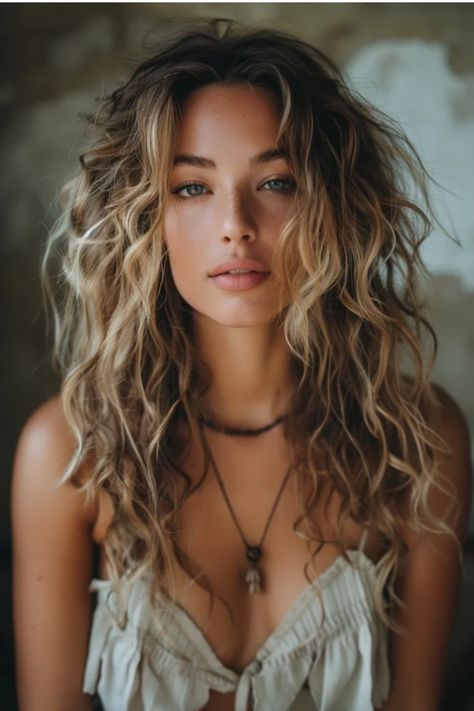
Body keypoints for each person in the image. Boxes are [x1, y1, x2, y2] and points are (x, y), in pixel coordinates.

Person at [11, 18, 471, 711]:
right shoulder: (70, 454)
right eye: (192, 187)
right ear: (147, 216)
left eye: (277, 181)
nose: (236, 223)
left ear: (332, 205)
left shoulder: (419, 440)